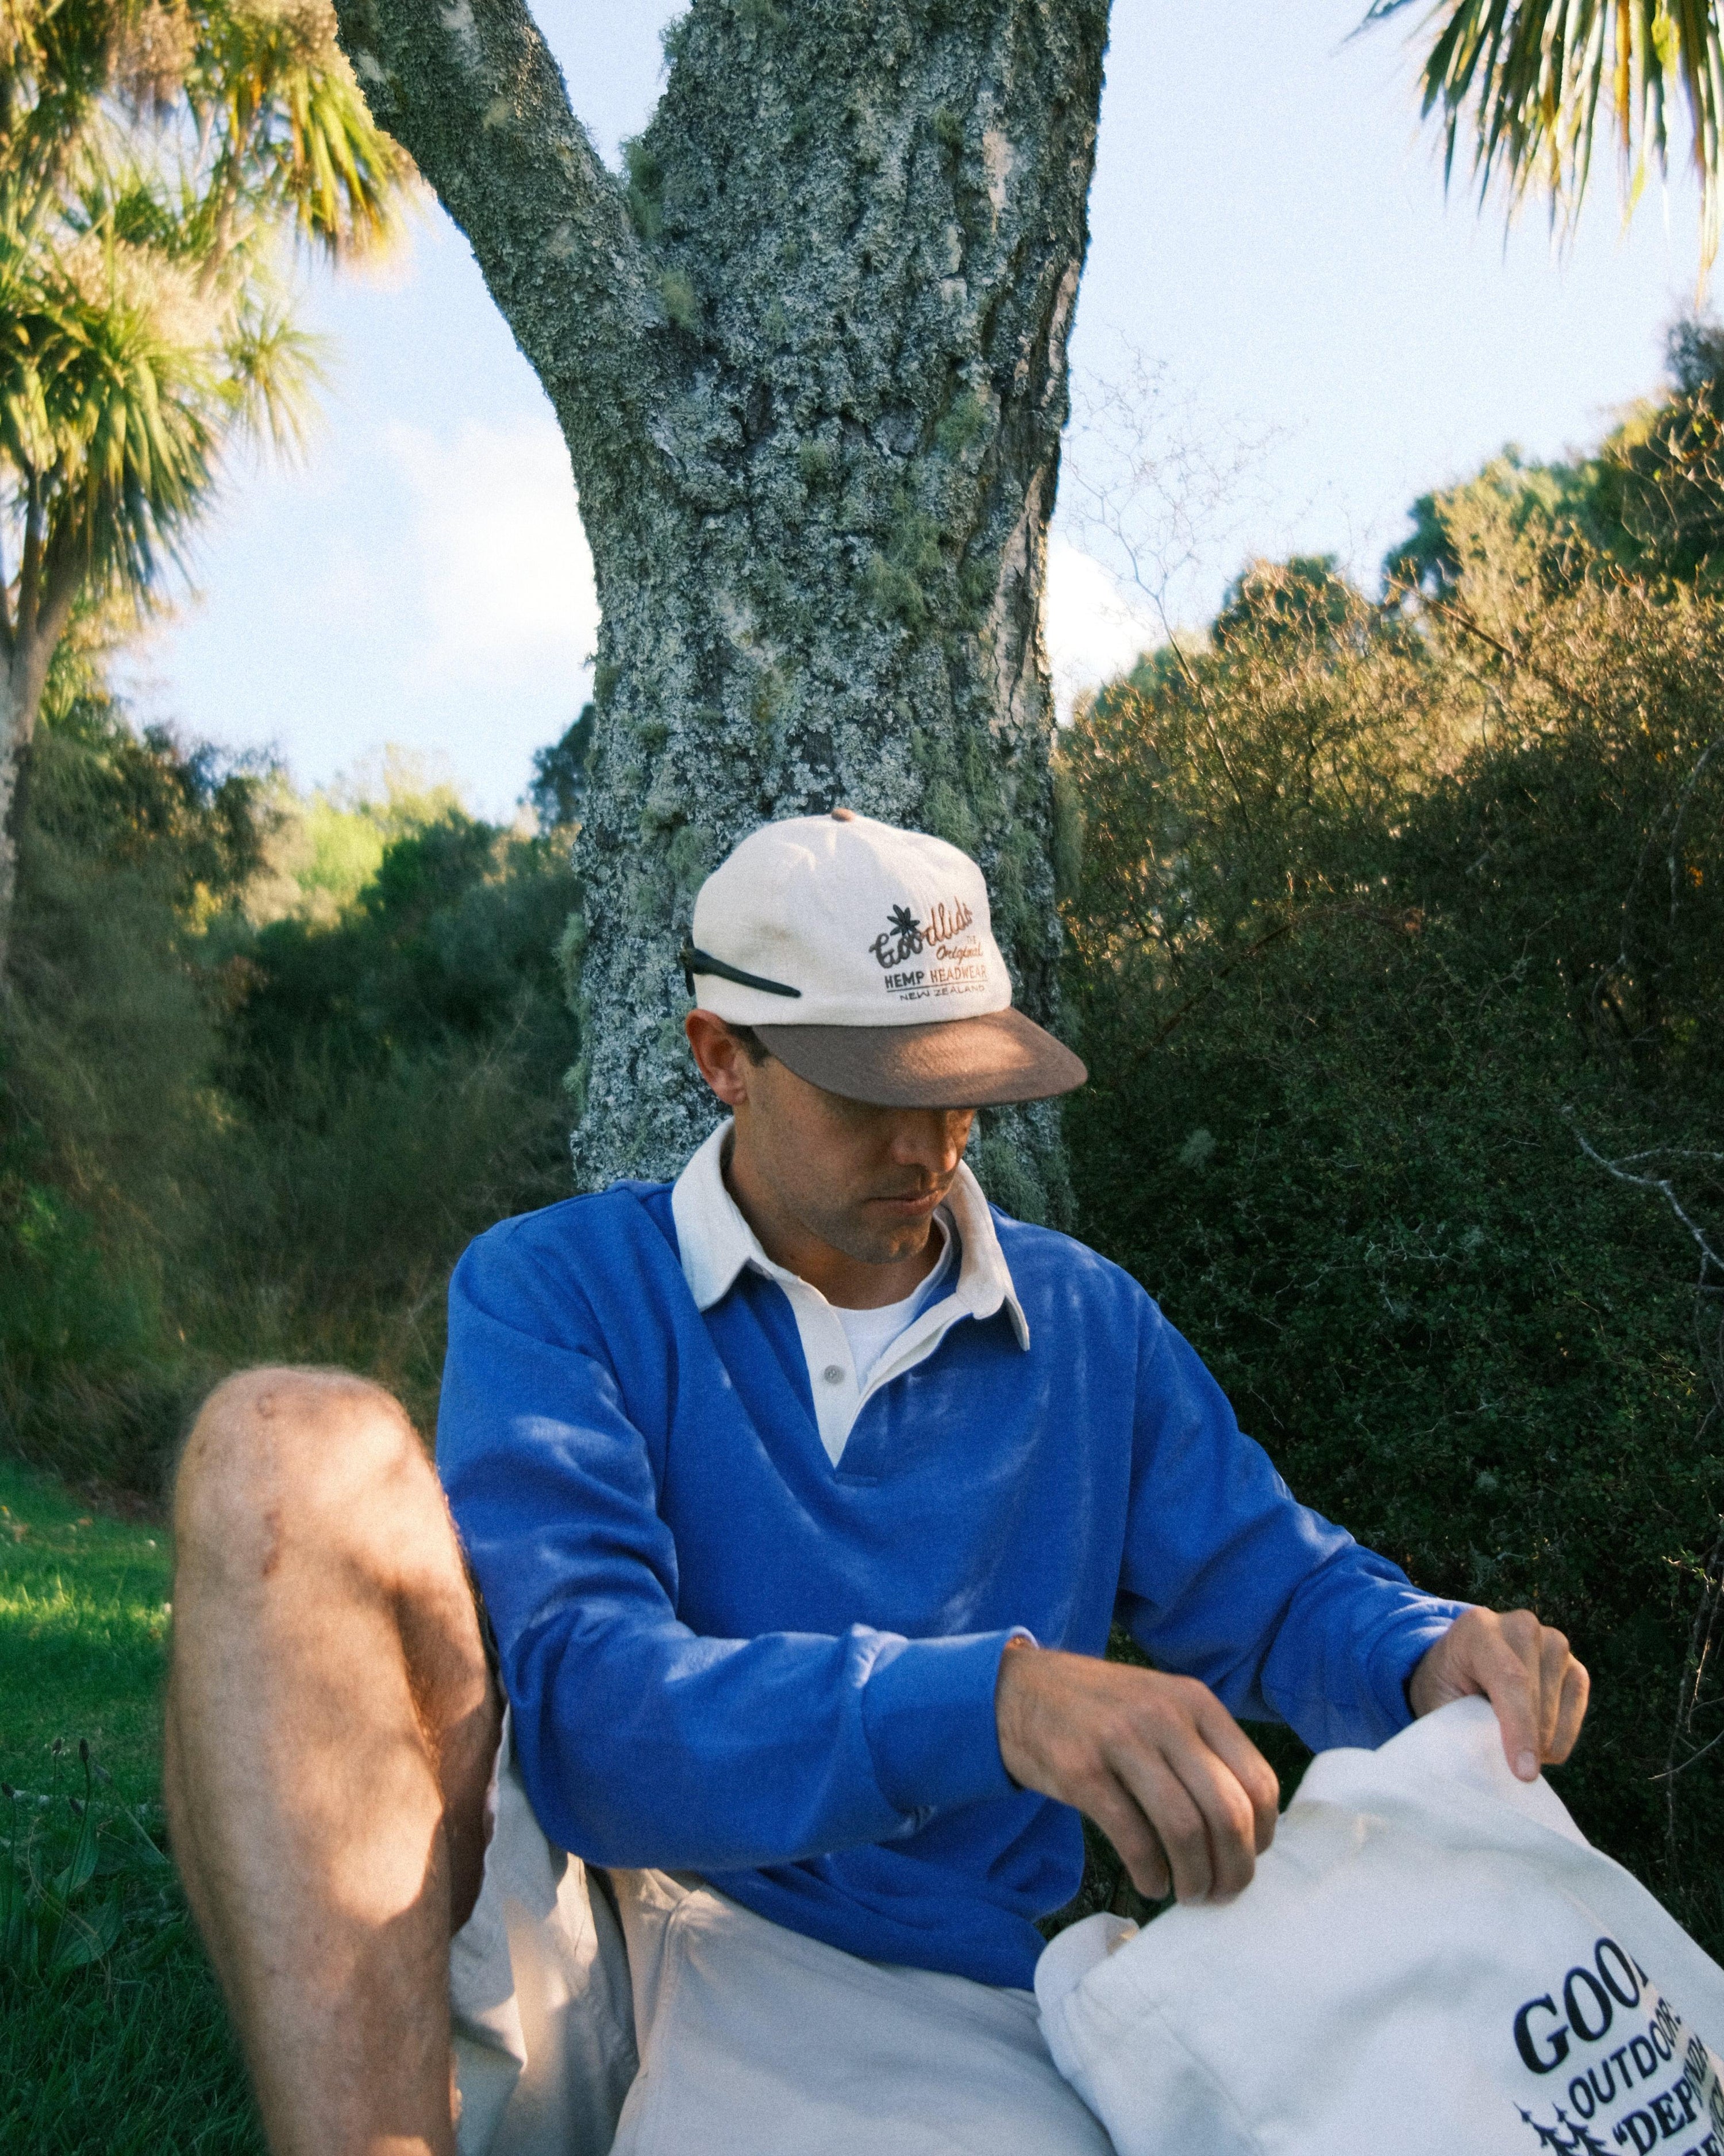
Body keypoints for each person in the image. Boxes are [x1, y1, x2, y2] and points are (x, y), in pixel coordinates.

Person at [164, 809, 1591, 2156]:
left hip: (899, 1996)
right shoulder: (561, 1286)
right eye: (873, 1092)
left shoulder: (1089, 1323)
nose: (928, 1146)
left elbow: (1277, 1597)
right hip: (555, 1936)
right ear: (723, 1054)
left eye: (961, 1089)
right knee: (281, 1437)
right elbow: (592, 1717)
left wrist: (1428, 1653)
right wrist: (995, 1700)